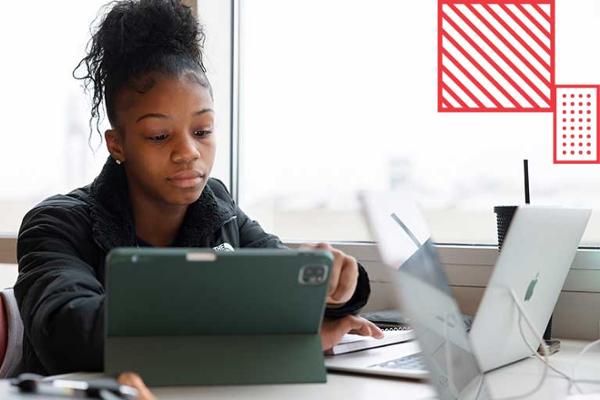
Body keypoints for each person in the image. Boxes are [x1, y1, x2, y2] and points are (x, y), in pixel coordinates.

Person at [14, 0, 382, 380]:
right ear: (117, 144)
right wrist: (252, 323)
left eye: (203, 131)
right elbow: (69, 334)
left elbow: (284, 289)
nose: (189, 152)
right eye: (159, 136)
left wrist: (335, 286)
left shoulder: (217, 208)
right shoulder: (56, 224)